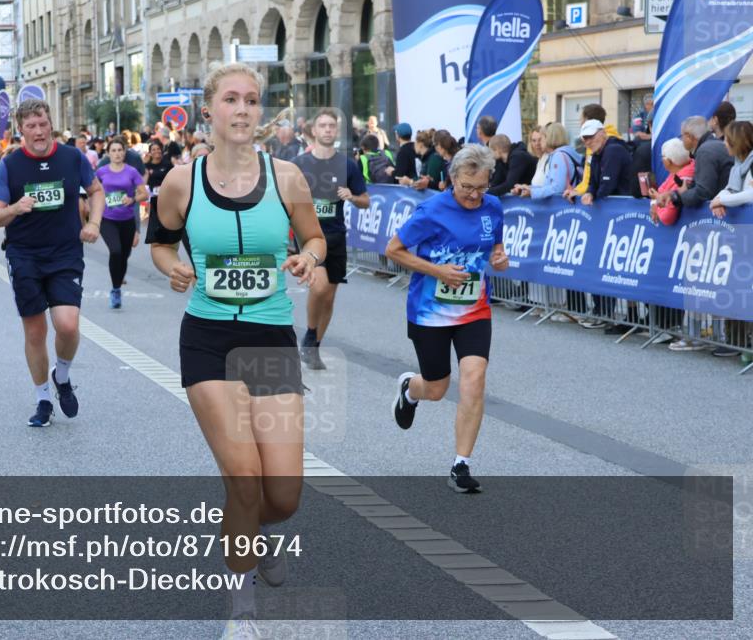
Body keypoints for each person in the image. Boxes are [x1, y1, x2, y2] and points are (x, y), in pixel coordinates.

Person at [148, 62, 325, 639]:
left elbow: (315, 236)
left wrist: (309, 259)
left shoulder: (289, 177)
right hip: (208, 339)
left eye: (252, 100)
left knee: (285, 495)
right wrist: (174, 269)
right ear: (210, 112)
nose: (243, 109)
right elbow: (161, 243)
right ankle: (241, 607)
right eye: (231, 99)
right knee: (244, 479)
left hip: (271, 338)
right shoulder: (181, 181)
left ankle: (249, 530)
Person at [385, 144, 508, 494]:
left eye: (481, 187)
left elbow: (495, 247)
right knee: (437, 389)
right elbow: (394, 250)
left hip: (474, 310)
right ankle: (411, 389)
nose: (473, 195)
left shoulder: (493, 208)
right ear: (452, 178)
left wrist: (500, 258)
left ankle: (461, 464)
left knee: (474, 378)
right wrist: (437, 270)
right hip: (429, 312)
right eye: (466, 186)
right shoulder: (431, 210)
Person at [0, 98, 105, 427]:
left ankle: (61, 376)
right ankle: (42, 401)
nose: (38, 131)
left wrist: (93, 223)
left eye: (42, 124)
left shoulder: (72, 157)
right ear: (20, 130)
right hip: (24, 254)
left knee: (67, 325)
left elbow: (95, 191)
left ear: (50, 123)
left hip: (65, 253)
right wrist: (14, 209)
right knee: (35, 331)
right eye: (31, 126)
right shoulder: (11, 165)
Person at [293, 108, 369, 369]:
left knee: (329, 297)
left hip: (336, 236)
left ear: (336, 132)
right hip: (309, 236)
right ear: (313, 131)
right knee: (320, 287)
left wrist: (352, 195)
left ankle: (313, 347)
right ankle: (310, 335)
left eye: (331, 126)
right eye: (322, 126)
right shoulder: (299, 164)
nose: (327, 130)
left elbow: (365, 201)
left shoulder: (348, 164)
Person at [566, 119, 632, 333]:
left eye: (592, 137)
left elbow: (607, 183)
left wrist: (593, 194)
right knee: (602, 265)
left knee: (622, 268)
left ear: (602, 133)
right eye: (585, 138)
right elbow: (594, 181)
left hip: (623, 216)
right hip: (606, 218)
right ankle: (605, 312)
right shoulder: (595, 154)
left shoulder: (613, 149)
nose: (588, 141)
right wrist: (588, 192)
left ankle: (627, 317)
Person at [95, 137, 148, 308]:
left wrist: (132, 199)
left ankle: (117, 285)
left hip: (127, 219)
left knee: (124, 255)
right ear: (108, 153)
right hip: (107, 219)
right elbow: (93, 192)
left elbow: (143, 194)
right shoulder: (101, 172)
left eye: (120, 150)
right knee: (116, 251)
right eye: (114, 150)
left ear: (124, 153)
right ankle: (115, 289)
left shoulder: (132, 171)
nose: (117, 153)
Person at [513, 123, 581, 200]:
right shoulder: (557, 155)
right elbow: (548, 186)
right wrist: (528, 188)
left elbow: (557, 189)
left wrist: (532, 192)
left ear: (549, 138)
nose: (539, 143)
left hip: (563, 207)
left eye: (541, 138)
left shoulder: (558, 156)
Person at [649, 137, 693, 227]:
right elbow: (661, 190)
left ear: (667, 161)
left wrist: (657, 201)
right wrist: (654, 202)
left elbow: (667, 217)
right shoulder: (677, 171)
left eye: (662, 157)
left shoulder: (683, 178)